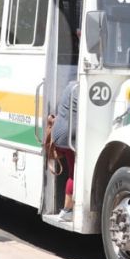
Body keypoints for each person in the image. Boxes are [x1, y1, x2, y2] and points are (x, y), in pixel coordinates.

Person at [51, 79, 79, 221]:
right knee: (75, 174)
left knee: (72, 171)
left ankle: (68, 209)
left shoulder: (71, 85)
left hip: (60, 132)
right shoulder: (81, 88)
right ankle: (67, 210)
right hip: (68, 135)